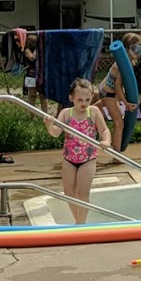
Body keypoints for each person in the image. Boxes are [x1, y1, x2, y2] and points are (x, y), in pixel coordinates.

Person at [43, 78, 111, 224]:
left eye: (88, 99)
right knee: (69, 192)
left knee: (82, 193)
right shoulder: (66, 114)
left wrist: (106, 141)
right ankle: (78, 220)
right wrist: (49, 126)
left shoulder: (93, 112)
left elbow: (104, 130)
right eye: (79, 99)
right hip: (69, 159)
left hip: (88, 159)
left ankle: (81, 223)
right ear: (71, 98)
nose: (84, 103)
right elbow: (56, 132)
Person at [99, 31, 141, 152]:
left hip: (104, 90)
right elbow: (118, 86)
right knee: (119, 123)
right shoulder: (122, 64)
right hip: (108, 94)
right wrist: (126, 103)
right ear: (127, 49)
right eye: (135, 49)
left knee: (93, 113)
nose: (138, 52)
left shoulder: (125, 62)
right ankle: (116, 155)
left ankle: (86, 119)